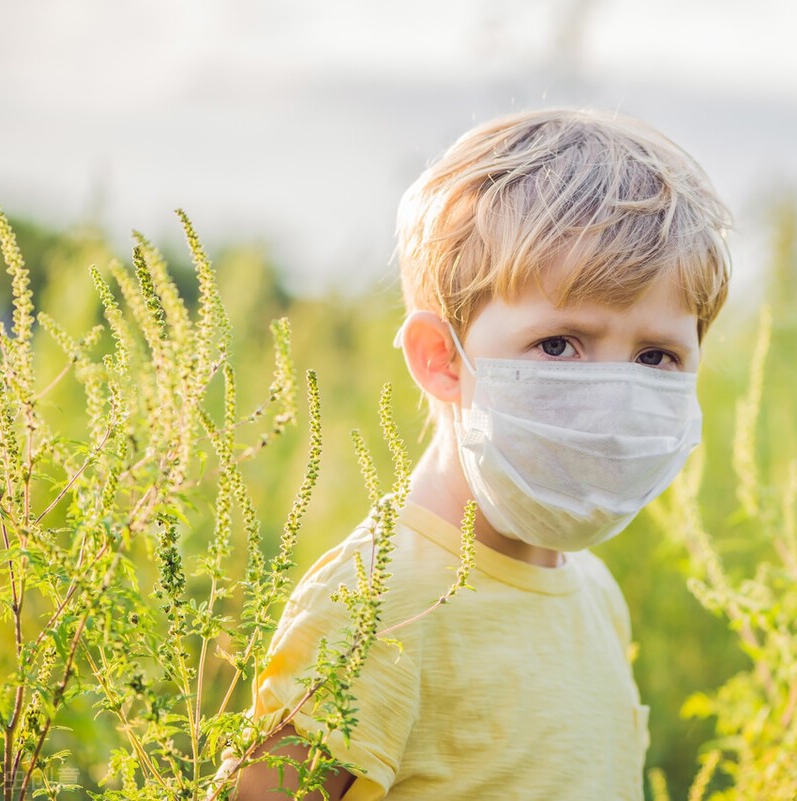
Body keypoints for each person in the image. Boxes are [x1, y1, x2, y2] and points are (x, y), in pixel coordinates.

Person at [231, 107, 731, 799]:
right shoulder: (373, 605)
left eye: (656, 355)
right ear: (443, 359)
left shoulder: (595, 593)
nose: (609, 401)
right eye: (559, 344)